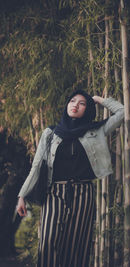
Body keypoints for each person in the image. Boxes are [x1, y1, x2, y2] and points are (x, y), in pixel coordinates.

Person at [17, 89, 124, 267]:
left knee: (76, 246)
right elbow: (36, 167)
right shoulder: (50, 133)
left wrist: (99, 99)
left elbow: (122, 112)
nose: (75, 105)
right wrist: (22, 196)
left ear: (88, 109)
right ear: (67, 104)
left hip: (83, 194)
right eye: (72, 101)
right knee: (48, 240)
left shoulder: (95, 131)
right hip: (54, 193)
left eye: (82, 103)